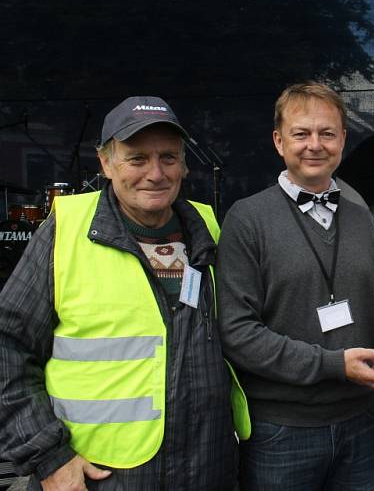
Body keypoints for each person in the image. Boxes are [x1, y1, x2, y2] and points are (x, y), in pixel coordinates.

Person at [216, 82, 374, 491]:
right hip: (282, 431)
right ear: (279, 141)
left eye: (327, 133)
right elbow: (237, 333)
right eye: (301, 133)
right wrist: (332, 365)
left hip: (359, 424)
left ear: (343, 140)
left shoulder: (359, 214)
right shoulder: (247, 220)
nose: (315, 145)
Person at [0, 96, 246, 490]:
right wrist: (48, 457)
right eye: (137, 159)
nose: (155, 173)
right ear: (106, 163)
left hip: (206, 469)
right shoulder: (65, 230)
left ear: (183, 164)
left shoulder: (208, 228)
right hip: (101, 476)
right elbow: (6, 346)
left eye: (168, 157)